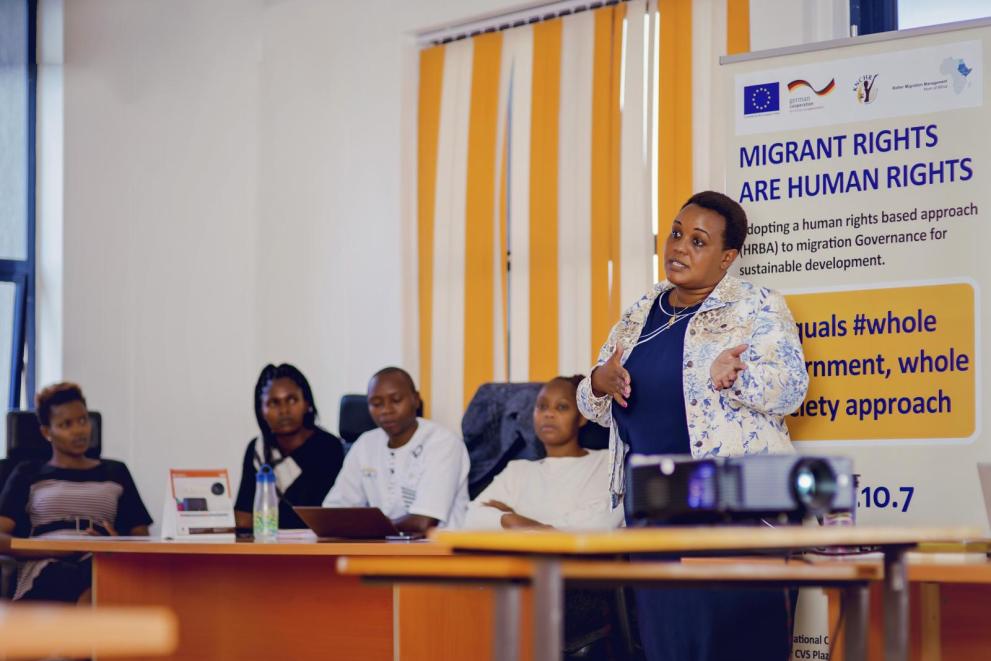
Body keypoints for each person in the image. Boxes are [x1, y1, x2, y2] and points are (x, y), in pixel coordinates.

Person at [577, 191, 809, 661]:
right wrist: (598, 384)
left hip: (736, 507)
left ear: (727, 257)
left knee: (741, 647)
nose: (679, 246)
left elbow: (790, 390)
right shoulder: (640, 312)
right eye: (677, 233)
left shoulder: (757, 306)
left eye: (697, 241)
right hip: (655, 511)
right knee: (671, 647)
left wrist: (734, 377)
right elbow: (593, 407)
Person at [0, 383, 152, 602]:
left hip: (100, 558)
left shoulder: (115, 472)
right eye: (66, 424)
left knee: (95, 574)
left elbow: (141, 537)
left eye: (82, 420)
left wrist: (116, 543)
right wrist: (52, 550)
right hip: (45, 564)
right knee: (70, 577)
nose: (79, 430)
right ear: (46, 432)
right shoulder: (28, 472)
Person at [465, 375, 623, 530]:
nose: (549, 414)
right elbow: (470, 519)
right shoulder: (517, 470)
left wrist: (511, 520)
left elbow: (598, 525)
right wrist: (510, 518)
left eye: (562, 407)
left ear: (582, 417)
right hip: (517, 557)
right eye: (542, 406)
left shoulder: (607, 462)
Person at [323, 367, 469, 533]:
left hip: (436, 552)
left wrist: (369, 528)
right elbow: (333, 511)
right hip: (380, 549)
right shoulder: (365, 444)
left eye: (396, 400)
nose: (386, 410)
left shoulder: (443, 443)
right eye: (376, 404)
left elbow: (423, 521)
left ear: (415, 399)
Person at [234, 364, 345, 530]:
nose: (284, 410)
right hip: (266, 545)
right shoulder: (258, 449)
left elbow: (318, 516)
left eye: (292, 400)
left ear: (307, 403)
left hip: (314, 547)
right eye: (273, 403)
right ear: (261, 410)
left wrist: (265, 521)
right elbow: (243, 515)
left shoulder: (327, 447)